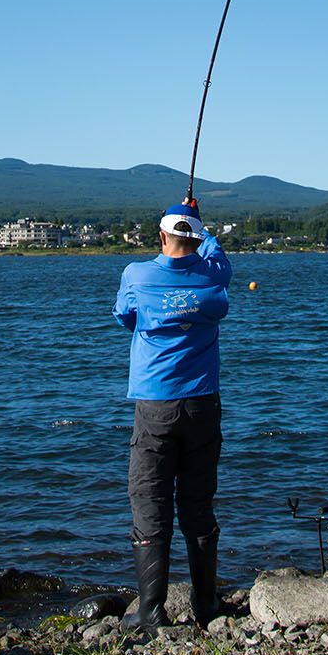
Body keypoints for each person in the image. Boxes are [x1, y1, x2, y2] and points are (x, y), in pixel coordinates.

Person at [114, 196, 232, 627]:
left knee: (149, 499)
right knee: (198, 504)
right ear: (197, 239)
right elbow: (217, 256)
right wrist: (202, 226)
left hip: (155, 405)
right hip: (203, 404)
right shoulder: (213, 275)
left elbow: (125, 316)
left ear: (160, 235)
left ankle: (150, 611)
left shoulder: (137, 275)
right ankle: (207, 606)